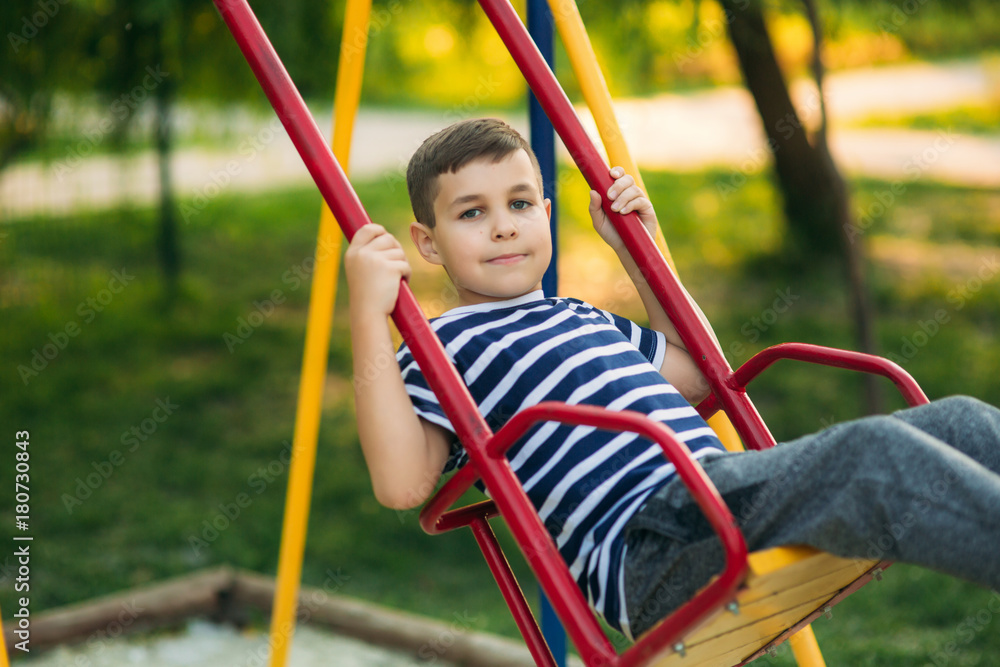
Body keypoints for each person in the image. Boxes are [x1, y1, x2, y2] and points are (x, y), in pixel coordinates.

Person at [345, 118, 1000, 640]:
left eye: (519, 203)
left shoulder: (580, 316)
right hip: (652, 545)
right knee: (877, 457)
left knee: (962, 421)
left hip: (714, 497)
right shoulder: (442, 345)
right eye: (471, 213)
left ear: (545, 211)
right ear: (426, 243)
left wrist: (642, 249)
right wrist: (370, 315)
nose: (503, 226)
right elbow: (403, 484)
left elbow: (700, 376)